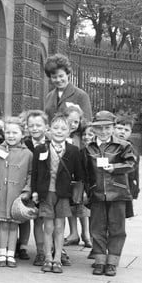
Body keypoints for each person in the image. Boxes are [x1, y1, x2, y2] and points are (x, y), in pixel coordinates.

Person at [82, 111, 136, 276]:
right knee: (96, 227)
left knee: (117, 228)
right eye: (99, 128)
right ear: (94, 129)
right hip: (97, 193)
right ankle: (99, 261)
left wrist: (115, 168)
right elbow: (85, 172)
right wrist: (86, 191)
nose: (103, 132)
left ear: (112, 127)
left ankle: (112, 261)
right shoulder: (88, 147)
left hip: (118, 192)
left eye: (107, 128)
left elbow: (131, 163)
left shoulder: (123, 145)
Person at [31, 114, 84, 274]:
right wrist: (34, 191)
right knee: (48, 226)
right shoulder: (40, 149)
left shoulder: (74, 151)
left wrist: (79, 192)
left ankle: (57, 258)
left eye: (63, 129)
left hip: (63, 194)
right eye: (56, 128)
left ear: (69, 131)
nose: (59, 131)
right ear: (49, 130)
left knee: (60, 226)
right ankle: (47, 257)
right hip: (46, 193)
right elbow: (35, 173)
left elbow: (79, 175)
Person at [0, 117, 33, 268]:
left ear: (22, 134)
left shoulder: (28, 154)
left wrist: (27, 190)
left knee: (14, 226)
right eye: (8, 132)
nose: (11, 136)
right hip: (2, 194)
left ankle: (11, 254)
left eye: (15, 132)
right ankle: (2, 253)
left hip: (17, 196)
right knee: (3, 225)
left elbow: (31, 174)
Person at [19, 110, 48, 265]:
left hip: (46, 188)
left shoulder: (51, 142)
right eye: (31, 125)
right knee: (35, 219)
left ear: (46, 126)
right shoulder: (24, 143)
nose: (35, 128)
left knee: (50, 220)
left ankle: (56, 250)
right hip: (29, 186)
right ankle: (40, 251)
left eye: (38, 125)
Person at [63, 106, 92, 249]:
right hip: (66, 176)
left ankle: (86, 234)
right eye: (71, 121)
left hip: (80, 175)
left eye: (76, 122)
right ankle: (73, 233)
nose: (73, 125)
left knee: (82, 205)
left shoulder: (79, 136)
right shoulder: (59, 134)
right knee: (71, 205)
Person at [43, 53, 92, 121]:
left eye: (61, 76)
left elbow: (87, 121)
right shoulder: (49, 96)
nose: (58, 80)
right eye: (54, 77)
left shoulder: (81, 95)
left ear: (68, 74)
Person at [115, 116, 140, 219]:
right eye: (119, 128)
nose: (122, 132)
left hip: (126, 187)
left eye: (126, 130)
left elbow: (134, 171)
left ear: (130, 132)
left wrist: (135, 189)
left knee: (120, 217)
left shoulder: (131, 148)